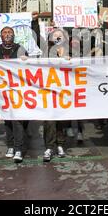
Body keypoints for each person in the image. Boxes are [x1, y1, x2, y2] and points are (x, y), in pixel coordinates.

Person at [0, 26, 29, 163]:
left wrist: (25, 60)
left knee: (17, 119)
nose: (7, 34)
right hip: (3, 91)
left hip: (18, 90)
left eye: (10, 32)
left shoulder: (20, 48)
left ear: (13, 35)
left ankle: (18, 148)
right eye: (5, 32)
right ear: (1, 36)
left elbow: (29, 67)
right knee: (7, 119)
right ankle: (11, 145)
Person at [42, 28, 69, 162]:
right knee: (49, 120)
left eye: (60, 35)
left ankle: (60, 145)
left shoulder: (71, 52)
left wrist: (70, 61)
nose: (58, 38)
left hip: (65, 91)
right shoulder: (45, 52)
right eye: (55, 35)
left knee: (61, 120)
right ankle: (49, 147)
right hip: (50, 90)